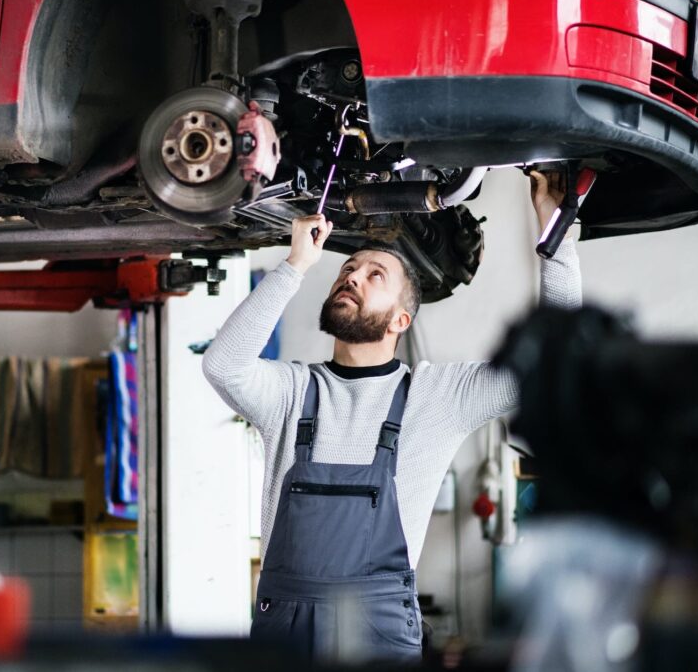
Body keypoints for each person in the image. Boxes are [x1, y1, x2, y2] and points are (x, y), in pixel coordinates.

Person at [202, 171, 582, 663]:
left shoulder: (438, 397)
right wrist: (294, 266)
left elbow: (552, 362)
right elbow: (223, 365)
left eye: (374, 275)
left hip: (378, 635)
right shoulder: (291, 392)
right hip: (285, 635)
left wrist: (556, 236)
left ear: (401, 320)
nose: (352, 276)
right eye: (348, 269)